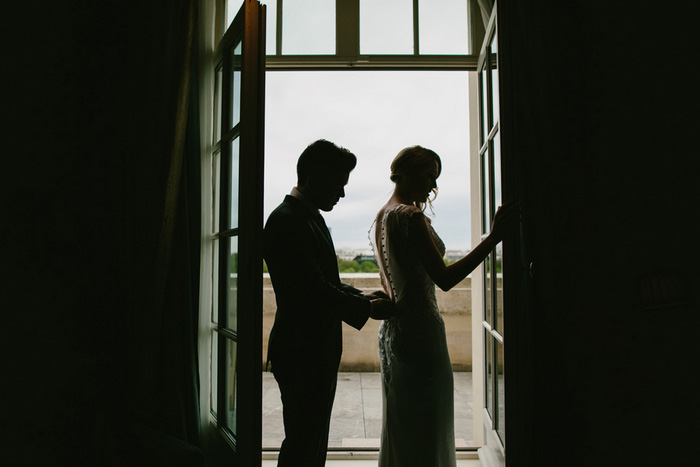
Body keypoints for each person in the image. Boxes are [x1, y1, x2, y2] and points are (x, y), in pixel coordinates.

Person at [371, 145, 519, 467]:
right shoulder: (409, 216)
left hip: (393, 333)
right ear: (406, 173)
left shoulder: (382, 215)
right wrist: (494, 238)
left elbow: (392, 284)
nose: (433, 186)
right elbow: (446, 278)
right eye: (428, 176)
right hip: (421, 333)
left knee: (403, 421)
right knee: (427, 421)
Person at [265, 139, 395, 467]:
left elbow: (323, 282)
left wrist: (359, 296)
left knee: (309, 438)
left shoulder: (301, 215)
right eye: (338, 185)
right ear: (312, 179)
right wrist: (367, 308)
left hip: (309, 349)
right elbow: (312, 292)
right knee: (303, 441)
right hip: (302, 352)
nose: (342, 194)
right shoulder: (288, 220)